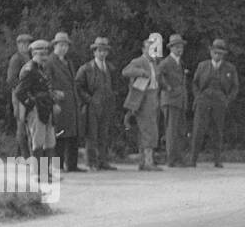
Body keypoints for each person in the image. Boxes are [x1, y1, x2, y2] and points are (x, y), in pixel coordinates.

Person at [191, 39, 239, 167]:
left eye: (220, 53)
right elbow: (195, 83)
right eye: (215, 53)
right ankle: (193, 159)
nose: (217, 56)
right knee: (198, 130)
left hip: (220, 101)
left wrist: (227, 100)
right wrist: (198, 97)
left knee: (217, 131)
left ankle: (217, 160)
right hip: (204, 100)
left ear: (224, 54)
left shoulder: (230, 68)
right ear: (211, 53)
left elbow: (235, 87)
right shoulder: (202, 66)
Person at [75, 37, 119, 170]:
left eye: (105, 51)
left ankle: (103, 161)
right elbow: (78, 86)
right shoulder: (86, 68)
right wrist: (88, 99)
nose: (102, 53)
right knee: (92, 135)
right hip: (92, 106)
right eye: (99, 51)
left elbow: (114, 85)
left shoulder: (110, 68)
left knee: (104, 134)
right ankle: (91, 162)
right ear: (94, 52)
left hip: (106, 105)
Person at [16, 40, 57, 181]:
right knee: (37, 141)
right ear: (33, 53)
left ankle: (46, 172)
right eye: (40, 53)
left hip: (46, 108)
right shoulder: (29, 70)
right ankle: (37, 173)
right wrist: (32, 104)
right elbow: (20, 92)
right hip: (37, 110)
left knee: (50, 141)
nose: (44, 56)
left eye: (46, 53)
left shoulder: (42, 69)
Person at [123, 34, 165, 171]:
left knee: (150, 129)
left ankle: (145, 161)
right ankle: (148, 162)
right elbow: (126, 71)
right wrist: (140, 72)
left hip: (154, 97)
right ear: (143, 49)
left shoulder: (156, 63)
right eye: (149, 48)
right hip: (143, 98)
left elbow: (158, 80)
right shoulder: (139, 61)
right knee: (148, 130)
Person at [47, 32, 84, 172]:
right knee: (60, 135)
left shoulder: (69, 62)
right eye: (60, 45)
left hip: (72, 102)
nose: (63, 48)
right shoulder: (50, 62)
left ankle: (72, 165)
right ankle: (58, 165)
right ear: (55, 45)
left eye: (65, 45)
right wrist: (54, 95)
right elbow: (47, 82)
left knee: (73, 134)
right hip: (60, 103)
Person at [158, 33, 190, 167]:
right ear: (171, 48)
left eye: (181, 47)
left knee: (180, 130)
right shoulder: (166, 62)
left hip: (180, 100)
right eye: (177, 47)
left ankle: (179, 158)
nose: (179, 49)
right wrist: (167, 87)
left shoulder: (180, 62)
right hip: (170, 100)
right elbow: (158, 75)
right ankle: (171, 159)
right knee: (171, 130)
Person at [7, 33, 33, 159]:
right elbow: (11, 79)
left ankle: (18, 155)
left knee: (26, 124)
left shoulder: (30, 57)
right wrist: (25, 88)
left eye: (27, 43)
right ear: (18, 45)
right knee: (21, 124)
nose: (25, 46)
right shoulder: (16, 59)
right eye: (22, 43)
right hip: (19, 95)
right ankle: (25, 155)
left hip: (29, 95)